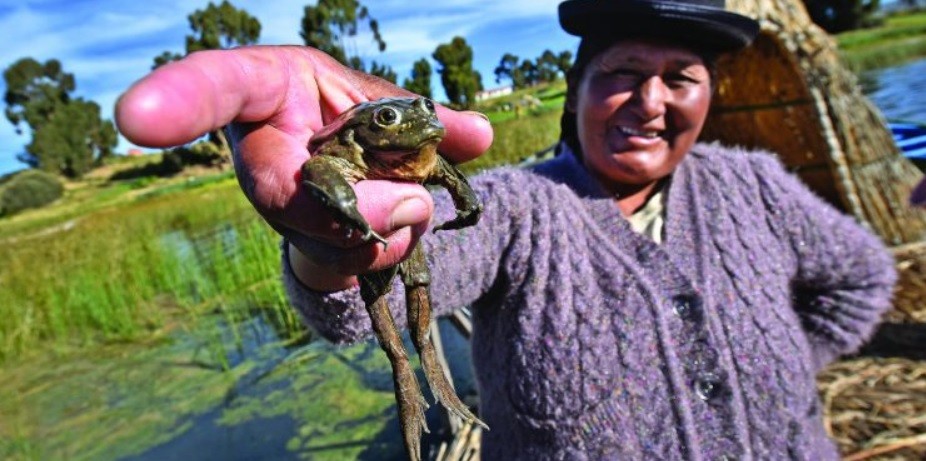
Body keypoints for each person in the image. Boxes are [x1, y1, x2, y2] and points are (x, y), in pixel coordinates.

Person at [116, 0, 899, 458]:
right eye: (623, 72)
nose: (650, 101)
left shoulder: (754, 183)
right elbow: (351, 304)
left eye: (680, 78)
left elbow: (865, 275)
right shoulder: (522, 207)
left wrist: (790, 364)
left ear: (710, 95)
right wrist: (333, 237)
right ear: (579, 88)